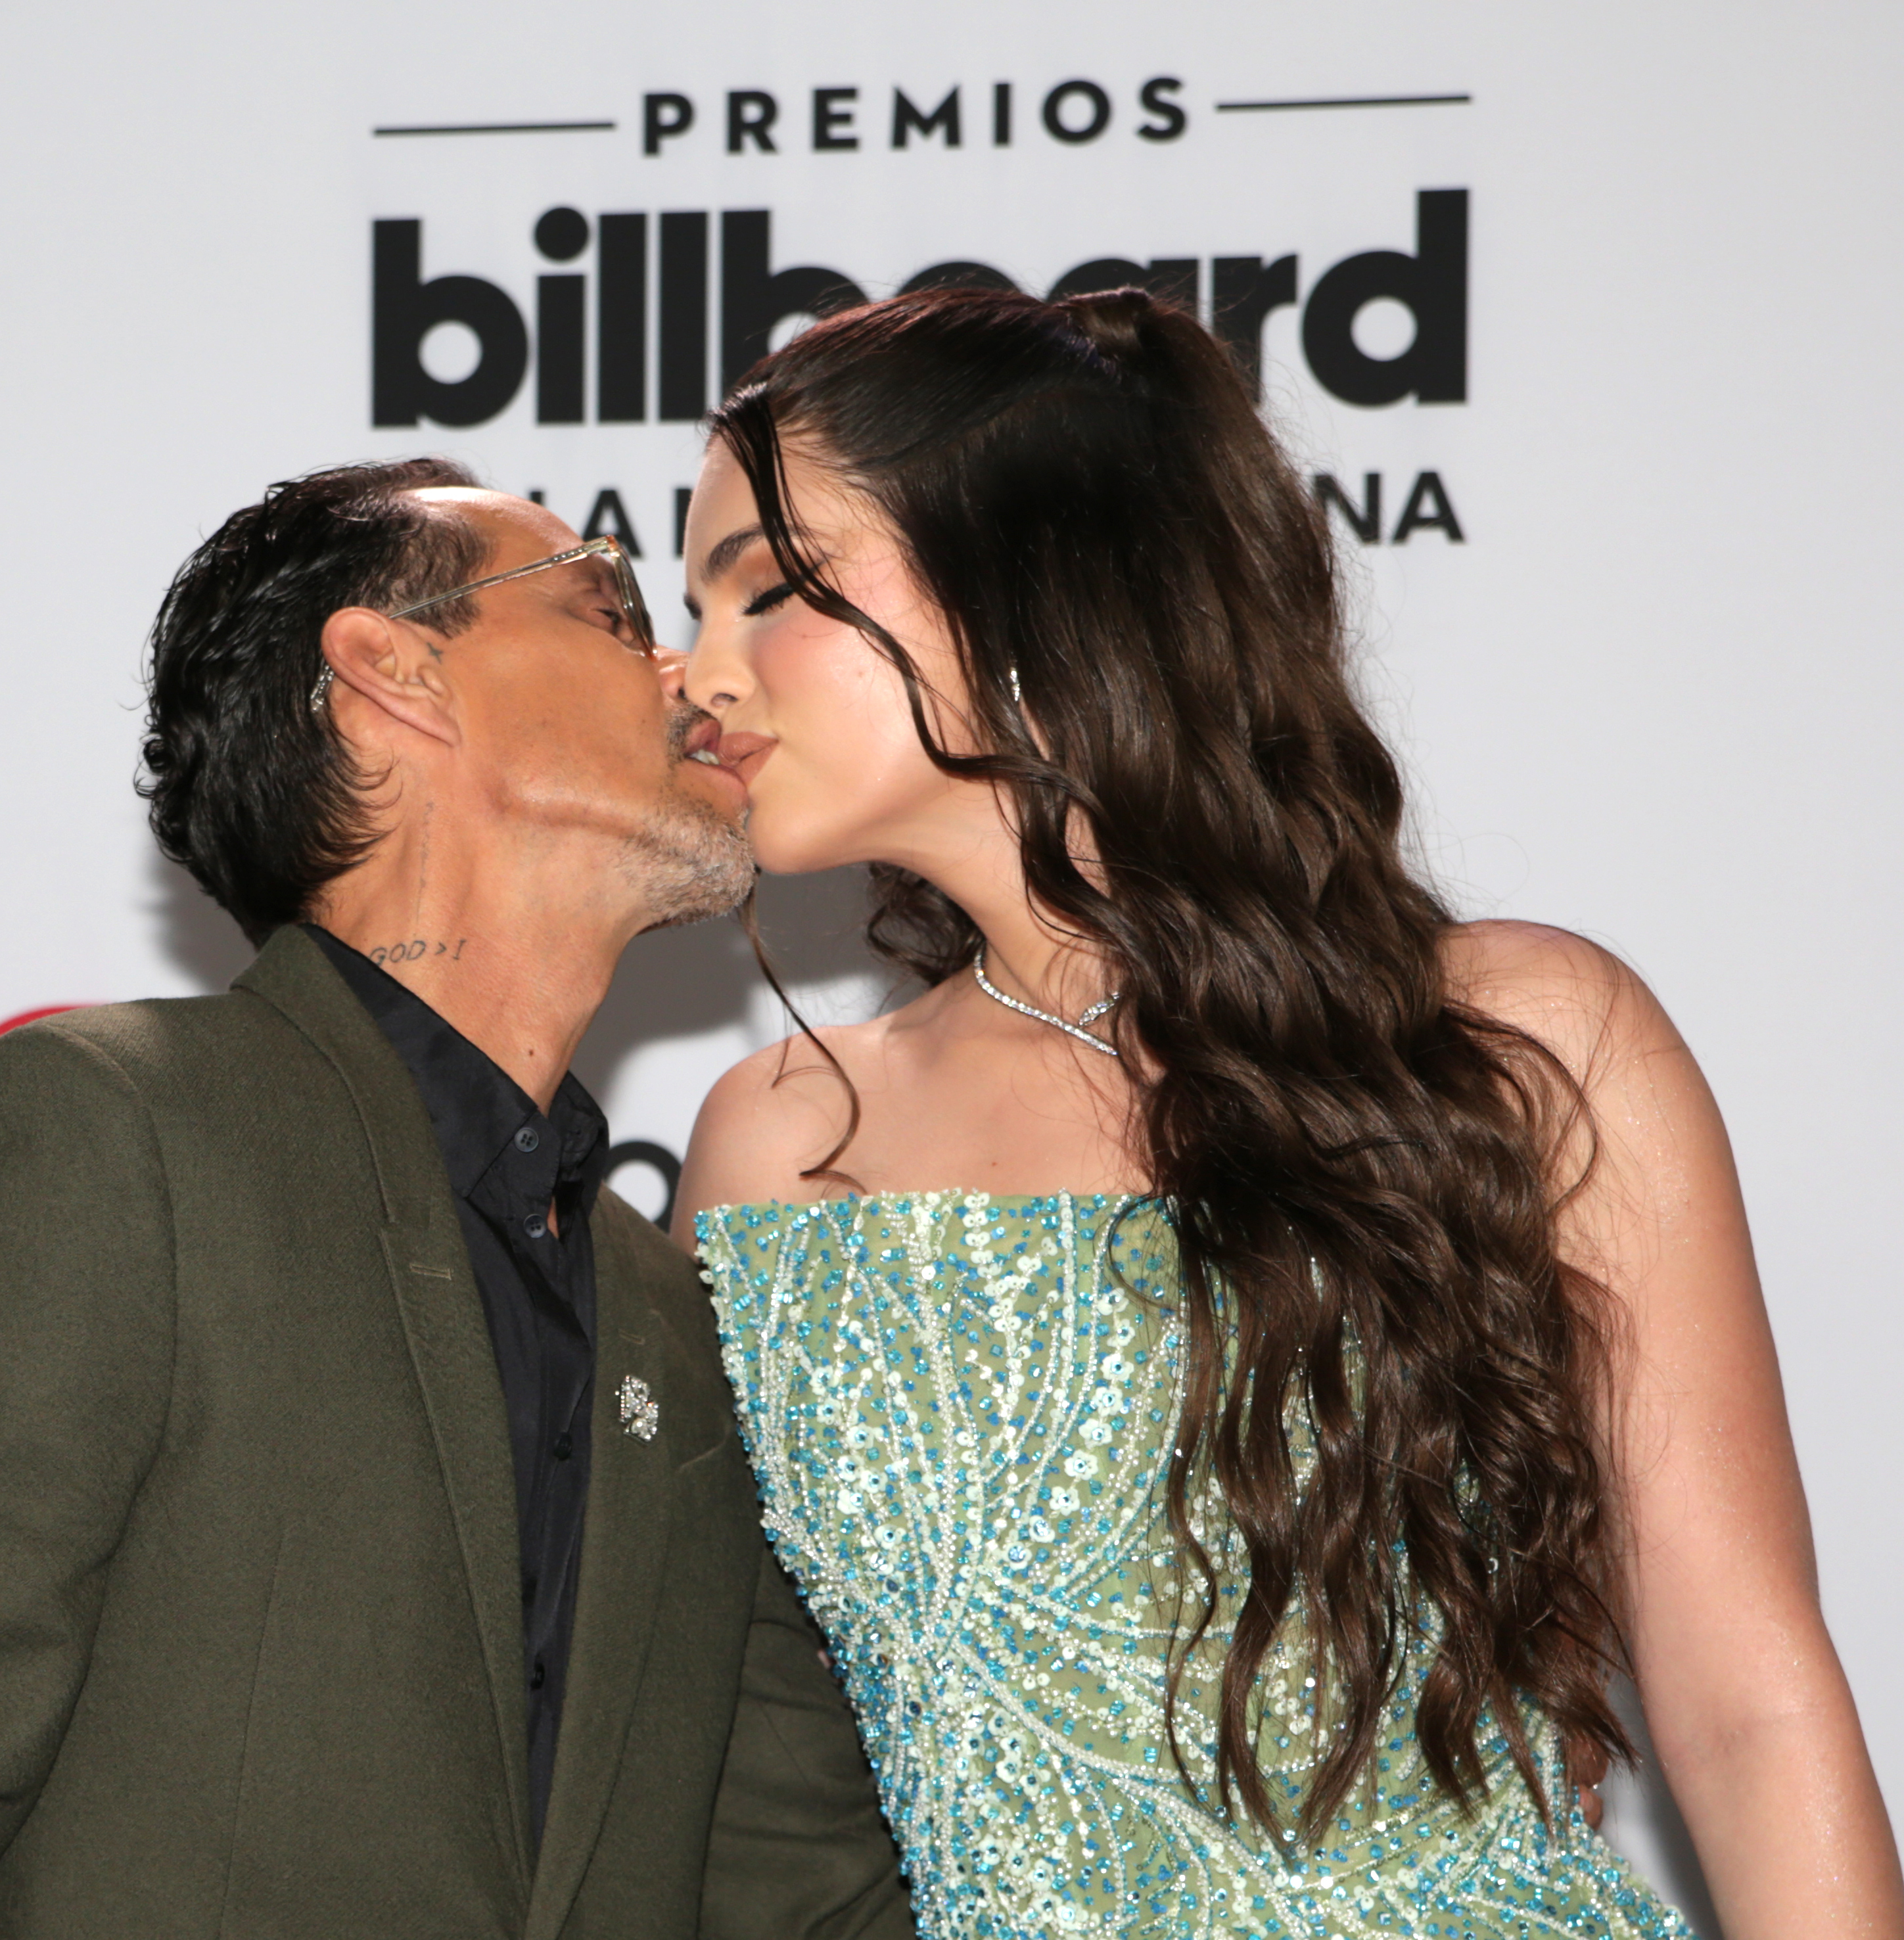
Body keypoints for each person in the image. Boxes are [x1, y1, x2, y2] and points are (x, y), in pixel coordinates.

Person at [669, 287, 1904, 1939]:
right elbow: (738, 1791)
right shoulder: (780, 1142)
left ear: (1034, 572)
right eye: (694, 607)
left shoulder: (1519, 1039)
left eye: (766, 589)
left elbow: (1749, 1709)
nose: (697, 676)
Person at [0, 458, 915, 1939]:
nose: (692, 672)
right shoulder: (107, 1135)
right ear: (395, 673)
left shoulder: (683, 1312)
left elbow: (790, 1887)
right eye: (613, 608)